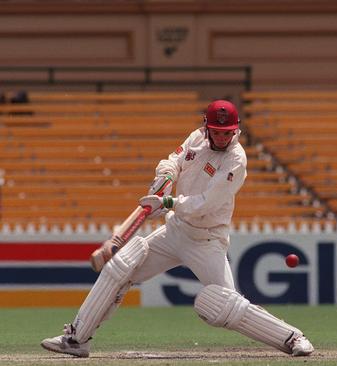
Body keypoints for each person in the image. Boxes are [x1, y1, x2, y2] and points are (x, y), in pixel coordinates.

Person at [40, 100, 314, 358]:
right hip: (175, 232)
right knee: (121, 268)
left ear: (236, 130)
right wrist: (166, 176)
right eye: (216, 132)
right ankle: (77, 339)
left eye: (227, 133)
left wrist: (168, 201)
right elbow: (173, 159)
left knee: (223, 305)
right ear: (207, 127)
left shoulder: (236, 161)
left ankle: (292, 338)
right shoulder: (196, 138)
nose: (221, 138)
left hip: (207, 239)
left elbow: (205, 204)